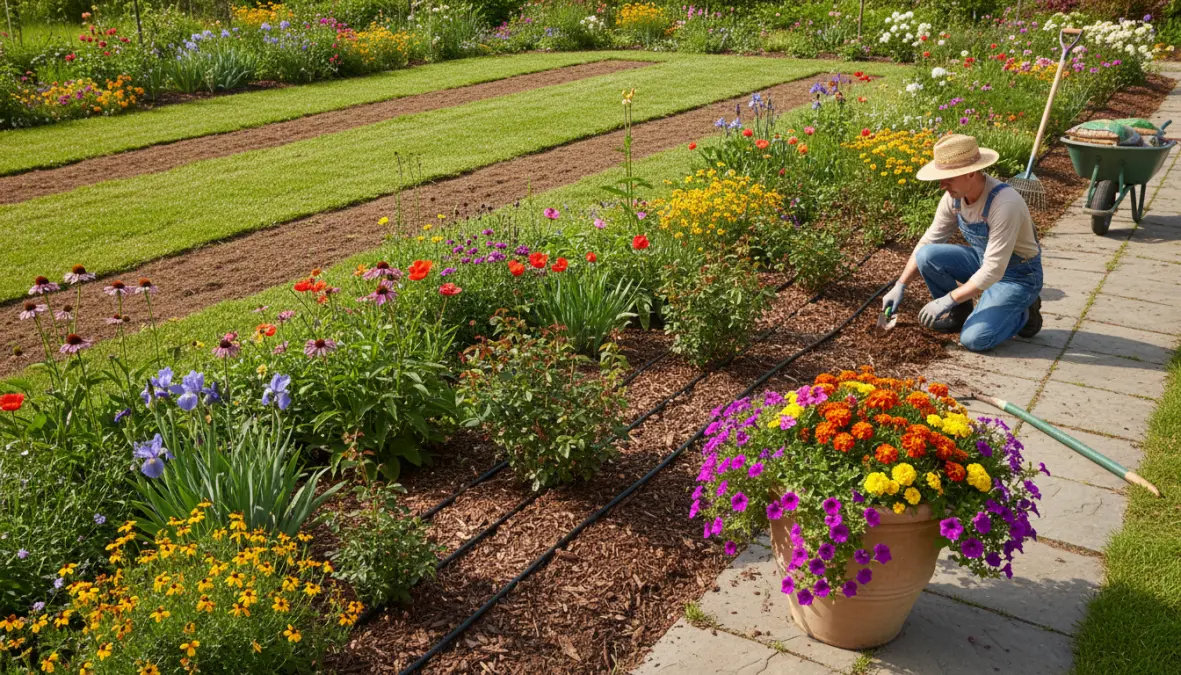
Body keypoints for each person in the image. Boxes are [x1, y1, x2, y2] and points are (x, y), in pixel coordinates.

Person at [881, 134, 1043, 351]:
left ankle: (1024, 311)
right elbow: (928, 241)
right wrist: (900, 285)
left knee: (975, 339)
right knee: (926, 256)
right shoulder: (953, 198)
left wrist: (947, 299)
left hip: (1018, 276)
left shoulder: (1004, 204)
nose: (941, 185)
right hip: (983, 260)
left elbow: (994, 270)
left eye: (949, 177)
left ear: (971, 173)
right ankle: (961, 313)